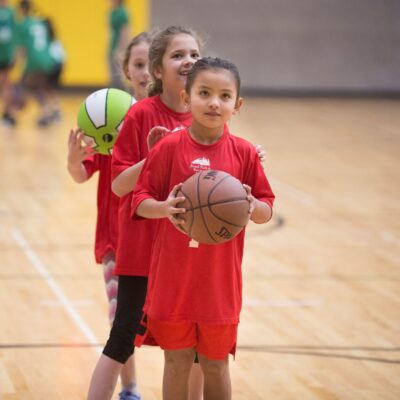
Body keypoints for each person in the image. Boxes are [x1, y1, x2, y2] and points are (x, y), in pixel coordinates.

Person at [131, 57, 275, 400]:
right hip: (173, 281)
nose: (214, 102)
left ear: (236, 105)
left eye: (225, 96)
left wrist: (253, 207)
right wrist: (164, 208)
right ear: (186, 98)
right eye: (205, 93)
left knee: (215, 365)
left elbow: (267, 208)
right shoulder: (168, 148)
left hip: (219, 286)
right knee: (177, 363)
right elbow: (139, 200)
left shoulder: (244, 153)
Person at [87, 25, 205, 400]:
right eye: (177, 55)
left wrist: (246, 164)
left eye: (194, 55)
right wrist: (154, 155)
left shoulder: (207, 115)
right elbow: (120, 185)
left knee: (198, 348)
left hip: (188, 253)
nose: (188, 61)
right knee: (122, 339)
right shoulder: (140, 115)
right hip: (142, 252)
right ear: (157, 70)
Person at [69, 31, 157, 400]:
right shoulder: (110, 117)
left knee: (169, 322)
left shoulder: (170, 118)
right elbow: (80, 173)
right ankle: (130, 389)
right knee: (122, 322)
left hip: (160, 241)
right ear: (126, 69)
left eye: (152, 64)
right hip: (116, 241)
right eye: (138, 64)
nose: (145, 72)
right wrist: (74, 157)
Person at [0, 0, 17, 126]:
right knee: (6, 83)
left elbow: (15, 33)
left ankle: (8, 113)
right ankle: (8, 113)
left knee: (6, 83)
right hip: (6, 54)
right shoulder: (11, 11)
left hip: (4, 54)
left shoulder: (11, 11)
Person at [108, 0, 130, 89]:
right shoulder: (113, 12)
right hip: (112, 47)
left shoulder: (122, 12)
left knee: (118, 76)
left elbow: (125, 31)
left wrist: (122, 49)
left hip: (118, 48)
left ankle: (125, 96)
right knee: (113, 76)